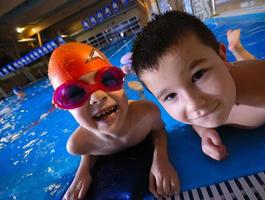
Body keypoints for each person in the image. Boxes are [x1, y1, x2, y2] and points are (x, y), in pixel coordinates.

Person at [132, 11, 265, 161]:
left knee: (254, 69)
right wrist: (204, 131)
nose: (193, 105)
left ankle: (238, 49)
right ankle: (237, 48)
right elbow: (193, 118)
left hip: (256, 78)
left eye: (198, 75)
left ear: (221, 57)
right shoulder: (194, 106)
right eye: (170, 96)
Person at [48, 42, 179, 199]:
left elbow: (158, 130)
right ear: (66, 109)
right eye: (74, 94)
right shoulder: (77, 145)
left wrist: (161, 159)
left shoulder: (147, 113)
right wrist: (83, 172)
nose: (97, 96)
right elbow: (89, 150)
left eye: (108, 79)